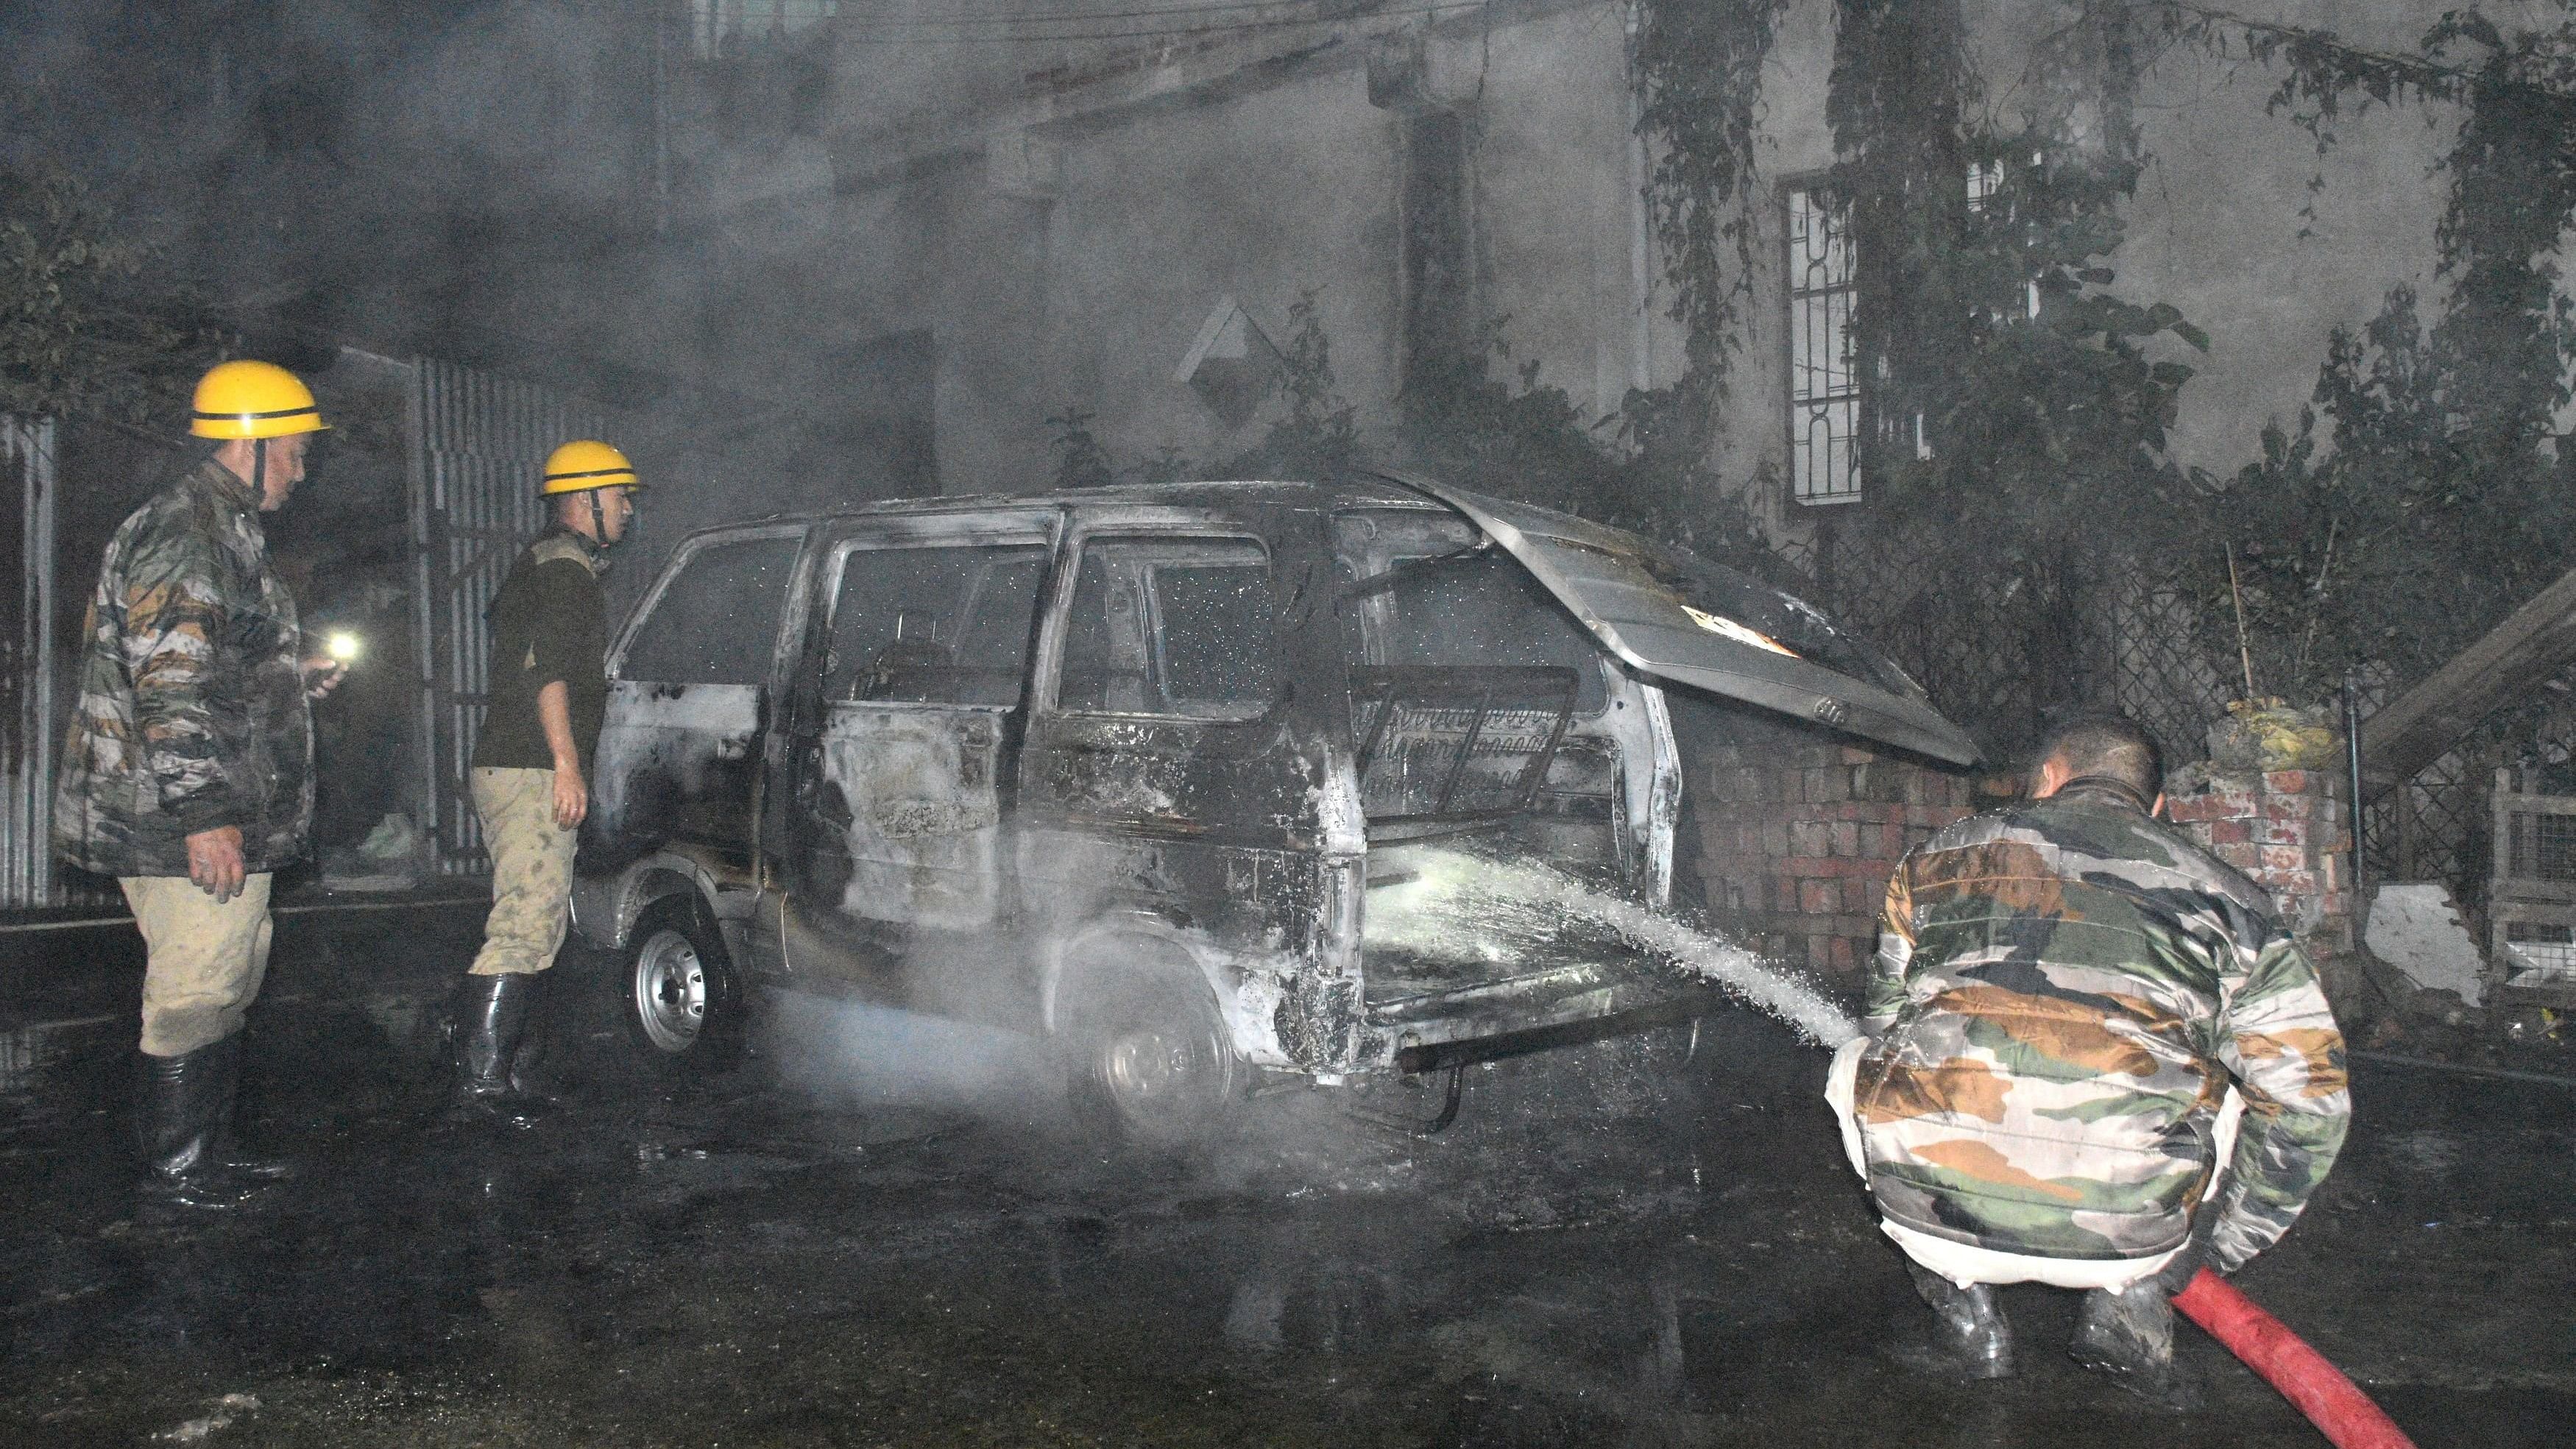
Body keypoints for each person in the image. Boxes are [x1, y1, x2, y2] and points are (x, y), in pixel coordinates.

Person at [1825, 712, 2349, 1406]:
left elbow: (1888, 1020)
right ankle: (2129, 1305)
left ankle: (1967, 1318)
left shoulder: (1935, 858)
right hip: (2136, 1237)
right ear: (2157, 807)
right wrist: (2201, 1256)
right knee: (2241, 1090)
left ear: (2047, 780)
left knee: (1857, 1057)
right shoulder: (2234, 901)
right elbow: (2313, 1102)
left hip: (1936, 1222)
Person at [55, 359, 345, 1211]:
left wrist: (290, 673)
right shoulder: (187, 533)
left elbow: (217, 662)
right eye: (293, 450)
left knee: (229, 972)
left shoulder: (226, 531)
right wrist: (206, 814)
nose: (302, 467)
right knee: (194, 985)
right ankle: (178, 1174)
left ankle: (204, 1153)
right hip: (177, 815)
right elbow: (171, 684)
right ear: (250, 443)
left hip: (221, 808)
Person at [446, 439, 640, 1127]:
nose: (626, 508)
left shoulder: (549, 565)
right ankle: (482, 1086)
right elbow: (547, 671)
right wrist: (566, 762)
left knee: (541, 919)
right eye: (618, 496)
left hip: (521, 765)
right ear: (584, 499)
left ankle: (512, 1071)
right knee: (526, 920)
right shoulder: (564, 572)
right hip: (531, 767)